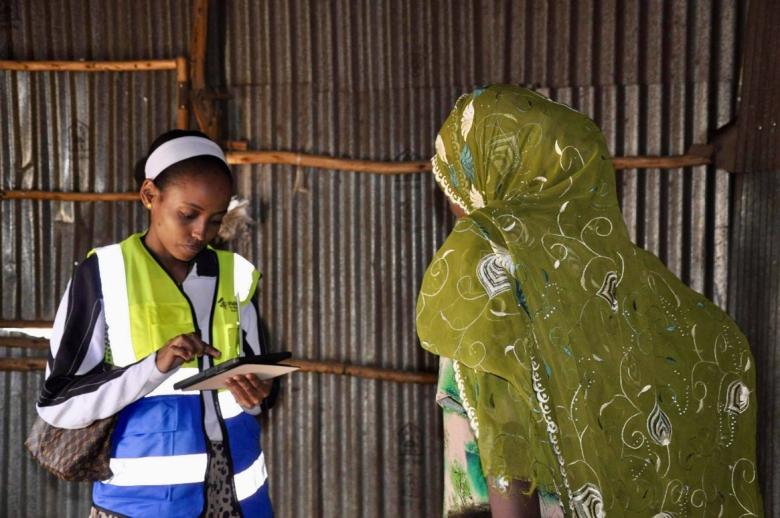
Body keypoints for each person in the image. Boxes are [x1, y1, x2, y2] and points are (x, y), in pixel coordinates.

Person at [416, 85, 763, 517]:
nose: (450, 193)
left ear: (494, 170)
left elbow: (507, 449)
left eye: (456, 170)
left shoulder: (482, 264)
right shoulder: (623, 284)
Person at [36, 130, 278, 517]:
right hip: (140, 506)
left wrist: (258, 392)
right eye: (188, 215)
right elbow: (58, 405)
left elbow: (260, 377)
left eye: (215, 220)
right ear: (150, 195)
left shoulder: (234, 275)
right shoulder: (104, 274)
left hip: (241, 499)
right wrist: (154, 366)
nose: (202, 232)